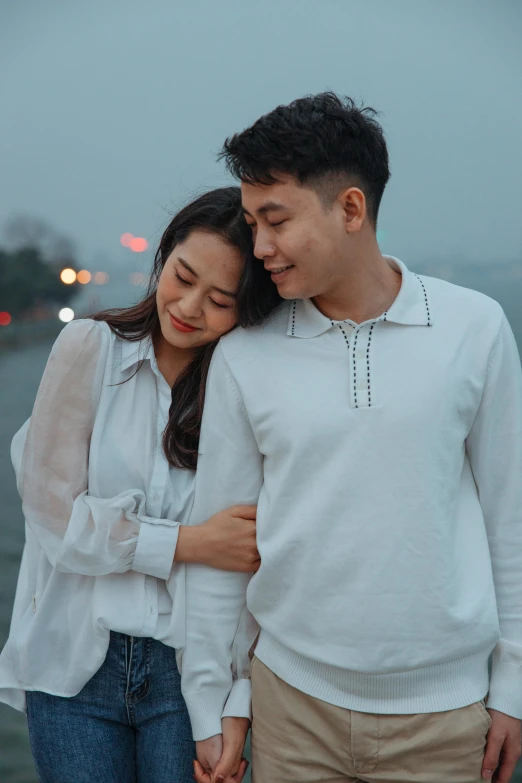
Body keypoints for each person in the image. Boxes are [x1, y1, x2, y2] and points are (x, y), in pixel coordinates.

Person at [182, 94, 522, 783]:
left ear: (351, 209)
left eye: (275, 220)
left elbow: (508, 519)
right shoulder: (247, 354)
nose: (260, 248)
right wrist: (215, 702)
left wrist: (513, 685)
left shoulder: (475, 328)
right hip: (291, 707)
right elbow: (222, 540)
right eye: (251, 224)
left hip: (449, 717)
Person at [0, 187, 280, 783]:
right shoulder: (88, 349)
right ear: (163, 256)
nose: (189, 306)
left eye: (221, 299)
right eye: (183, 276)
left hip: (189, 681)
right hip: (75, 669)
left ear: (249, 310)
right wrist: (190, 542)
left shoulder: (248, 392)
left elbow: (253, 562)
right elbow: (56, 522)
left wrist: (237, 704)